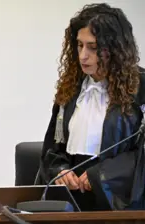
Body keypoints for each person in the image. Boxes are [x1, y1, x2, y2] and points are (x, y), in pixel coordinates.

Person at [39, 3, 145, 210]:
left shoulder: (141, 87)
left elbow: (141, 153)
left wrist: (102, 175)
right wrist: (60, 170)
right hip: (72, 200)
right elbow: (53, 146)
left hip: (120, 202)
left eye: (93, 47)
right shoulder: (71, 88)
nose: (83, 56)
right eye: (79, 45)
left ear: (115, 49)